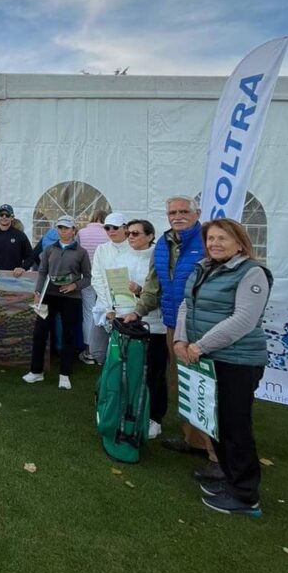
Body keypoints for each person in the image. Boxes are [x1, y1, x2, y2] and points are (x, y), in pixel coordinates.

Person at [174, 219, 271, 516]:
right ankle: (229, 477)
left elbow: (243, 320)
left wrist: (199, 346)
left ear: (240, 243)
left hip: (237, 361)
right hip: (207, 359)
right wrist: (180, 339)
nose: (214, 243)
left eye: (222, 238)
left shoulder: (252, 272)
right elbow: (186, 305)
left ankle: (245, 495)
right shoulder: (204, 267)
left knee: (235, 426)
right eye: (211, 238)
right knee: (216, 422)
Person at [126, 195, 208, 456]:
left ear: (197, 213)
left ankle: (216, 451)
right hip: (174, 326)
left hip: (205, 328)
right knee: (181, 383)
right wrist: (138, 312)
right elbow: (153, 285)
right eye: (172, 212)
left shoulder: (208, 241)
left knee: (207, 387)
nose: (177, 216)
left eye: (184, 211)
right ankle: (194, 441)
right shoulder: (163, 243)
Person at [23, 215, 91, 390]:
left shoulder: (81, 252)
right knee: (40, 332)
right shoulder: (49, 249)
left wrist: (74, 285)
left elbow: (88, 278)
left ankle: (65, 374)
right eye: (60, 227)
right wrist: (38, 292)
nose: (63, 231)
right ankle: (36, 371)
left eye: (66, 228)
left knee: (68, 335)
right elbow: (42, 271)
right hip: (48, 295)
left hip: (71, 297)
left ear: (74, 230)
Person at [125, 219, 168, 439]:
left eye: (135, 233)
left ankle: (155, 418)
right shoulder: (126, 254)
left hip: (156, 326)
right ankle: (135, 410)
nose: (130, 236)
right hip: (131, 324)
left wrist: (140, 290)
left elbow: (159, 293)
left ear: (150, 236)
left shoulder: (157, 257)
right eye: (129, 233)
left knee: (155, 374)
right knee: (133, 371)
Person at [88, 212, 132, 364]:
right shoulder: (102, 249)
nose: (111, 231)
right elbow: (97, 277)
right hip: (104, 305)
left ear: (125, 228)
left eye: (115, 227)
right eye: (107, 228)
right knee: (97, 351)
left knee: (125, 351)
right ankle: (108, 382)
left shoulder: (134, 248)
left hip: (128, 307)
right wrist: (108, 307)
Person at [77, 208, 110, 364]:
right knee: (106, 311)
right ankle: (106, 349)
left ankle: (90, 351)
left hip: (86, 277)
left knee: (89, 314)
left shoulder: (82, 233)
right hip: (105, 278)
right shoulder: (109, 233)